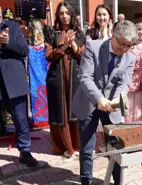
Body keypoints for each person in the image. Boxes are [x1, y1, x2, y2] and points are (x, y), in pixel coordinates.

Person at [71, 20, 138, 185]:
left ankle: (118, 181)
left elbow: (124, 82)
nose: (123, 49)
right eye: (122, 44)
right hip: (88, 101)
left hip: (111, 106)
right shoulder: (93, 47)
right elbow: (85, 76)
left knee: (115, 146)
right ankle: (86, 180)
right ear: (113, 36)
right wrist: (98, 98)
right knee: (87, 148)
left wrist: (117, 99)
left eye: (128, 46)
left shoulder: (130, 57)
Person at [44, 2, 85, 158]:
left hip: (75, 77)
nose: (65, 16)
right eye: (61, 13)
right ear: (58, 15)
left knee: (75, 110)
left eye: (67, 13)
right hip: (57, 78)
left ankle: (77, 144)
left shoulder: (80, 34)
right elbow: (48, 56)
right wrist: (63, 46)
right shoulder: (52, 33)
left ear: (72, 14)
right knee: (60, 112)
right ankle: (64, 147)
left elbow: (83, 57)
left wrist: (73, 44)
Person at [0, 6, 38, 167]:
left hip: (14, 82)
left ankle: (25, 150)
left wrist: (7, 42)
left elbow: (24, 50)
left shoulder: (13, 27)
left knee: (20, 118)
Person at [84, 4, 113, 154]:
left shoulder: (114, 33)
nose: (101, 17)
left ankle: (109, 143)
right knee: (95, 110)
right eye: (99, 15)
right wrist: (101, 37)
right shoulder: (90, 33)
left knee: (109, 112)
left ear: (109, 16)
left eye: (104, 14)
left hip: (110, 77)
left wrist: (107, 35)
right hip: (95, 76)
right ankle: (98, 142)